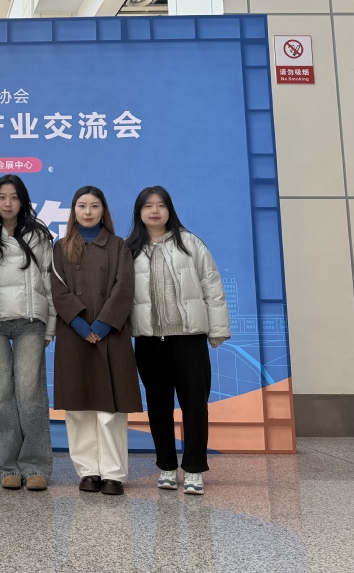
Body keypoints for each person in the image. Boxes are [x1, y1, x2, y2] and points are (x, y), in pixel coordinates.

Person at [126, 186, 230, 495]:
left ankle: (195, 468)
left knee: (194, 404)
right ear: (139, 212)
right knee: (158, 406)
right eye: (148, 206)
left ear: (170, 210)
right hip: (149, 341)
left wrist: (217, 329)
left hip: (189, 338)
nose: (154, 211)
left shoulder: (190, 243)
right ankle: (167, 467)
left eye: (161, 205)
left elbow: (212, 285)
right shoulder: (129, 249)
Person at [50, 186, 140, 496]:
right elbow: (58, 290)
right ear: (73, 211)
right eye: (81, 206)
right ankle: (88, 471)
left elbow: (124, 288)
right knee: (78, 408)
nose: (87, 212)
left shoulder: (118, 246)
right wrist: (79, 323)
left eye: (94, 206)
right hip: (74, 334)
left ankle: (113, 473)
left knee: (109, 410)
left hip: (110, 333)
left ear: (104, 211)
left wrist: (102, 324)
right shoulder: (60, 247)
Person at [0, 175, 55, 491]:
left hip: (30, 322)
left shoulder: (39, 235)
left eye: (13, 197)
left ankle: (36, 466)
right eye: (2, 197)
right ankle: (6, 466)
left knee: (30, 392)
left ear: (23, 201)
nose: (7, 203)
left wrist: (51, 325)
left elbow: (50, 281)